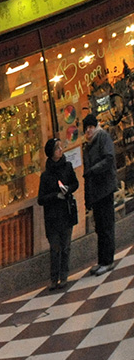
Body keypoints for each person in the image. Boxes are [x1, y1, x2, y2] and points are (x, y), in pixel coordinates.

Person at [37, 137, 79, 289]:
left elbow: (75, 183)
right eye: (57, 148)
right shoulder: (46, 175)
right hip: (52, 217)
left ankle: (64, 276)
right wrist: (55, 195)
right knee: (55, 248)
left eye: (61, 147)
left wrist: (68, 189)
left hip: (66, 213)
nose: (60, 150)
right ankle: (54, 278)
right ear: (51, 153)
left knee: (66, 246)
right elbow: (41, 199)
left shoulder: (67, 167)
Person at [82, 113, 117, 276]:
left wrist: (94, 170)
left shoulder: (103, 137)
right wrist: (87, 198)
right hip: (96, 192)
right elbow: (87, 174)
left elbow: (109, 158)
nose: (88, 131)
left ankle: (108, 261)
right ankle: (102, 260)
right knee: (100, 228)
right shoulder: (88, 146)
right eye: (86, 128)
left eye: (90, 127)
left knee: (107, 226)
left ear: (95, 126)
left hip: (105, 189)